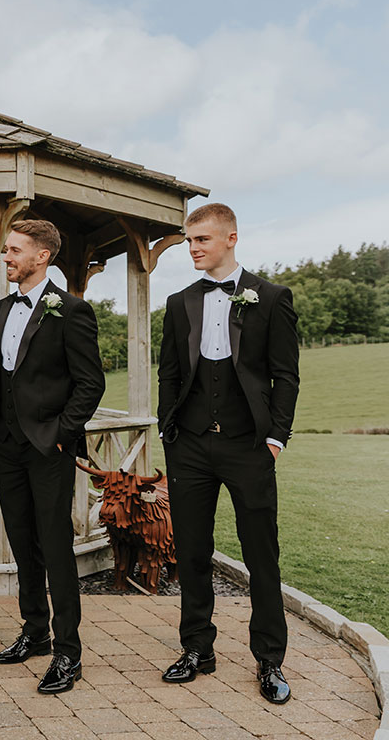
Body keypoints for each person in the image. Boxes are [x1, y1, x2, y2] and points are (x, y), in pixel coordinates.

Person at [157, 202, 299, 705]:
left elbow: (286, 376)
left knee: (262, 554)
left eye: (202, 241)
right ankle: (197, 648)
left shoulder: (272, 298)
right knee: (191, 551)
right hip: (190, 446)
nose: (192, 249)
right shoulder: (179, 302)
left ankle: (269, 660)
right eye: (189, 241)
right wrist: (167, 430)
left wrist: (275, 438)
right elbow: (170, 372)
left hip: (248, 446)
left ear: (231, 239)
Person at [0, 218, 105, 694]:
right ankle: (34, 631)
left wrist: (60, 434)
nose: (6, 256)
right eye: (6, 249)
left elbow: (90, 383)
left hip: (48, 448)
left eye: (14, 250)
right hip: (7, 446)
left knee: (55, 549)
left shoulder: (72, 311)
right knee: (21, 543)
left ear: (42, 256)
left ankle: (67, 652)